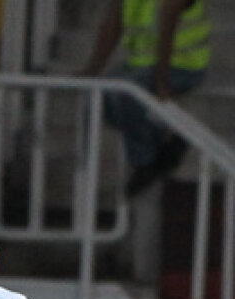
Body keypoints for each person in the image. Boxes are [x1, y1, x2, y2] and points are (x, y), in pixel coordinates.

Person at [79, 0, 210, 196]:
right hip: (142, 64)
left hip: (184, 65)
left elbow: (166, 35)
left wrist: (162, 85)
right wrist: (92, 70)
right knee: (98, 101)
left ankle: (145, 162)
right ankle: (166, 138)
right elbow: (112, 26)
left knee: (122, 96)